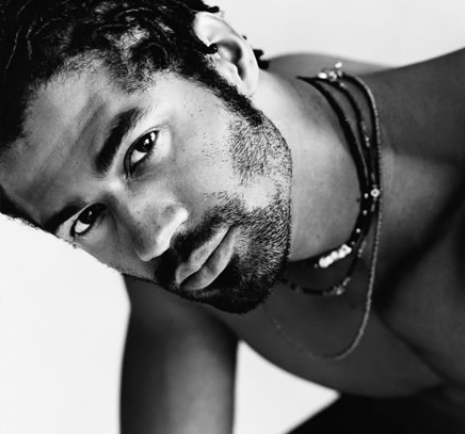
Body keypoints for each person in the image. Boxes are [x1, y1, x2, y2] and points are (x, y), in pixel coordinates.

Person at [0, 0, 464, 432]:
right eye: (87, 218)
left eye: (142, 148)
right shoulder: (183, 264)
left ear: (225, 57)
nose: (150, 238)